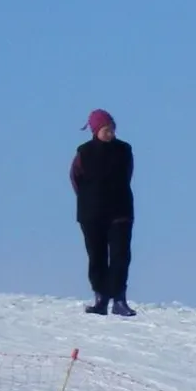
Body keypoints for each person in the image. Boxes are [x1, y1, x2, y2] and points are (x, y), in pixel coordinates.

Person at [69, 108, 136, 317]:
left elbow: (128, 174)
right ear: (96, 130)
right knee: (96, 256)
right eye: (107, 129)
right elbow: (75, 178)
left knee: (120, 255)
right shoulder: (84, 152)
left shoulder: (124, 150)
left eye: (112, 129)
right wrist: (88, 199)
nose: (111, 133)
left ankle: (119, 300)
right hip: (92, 213)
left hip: (120, 210)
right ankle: (101, 298)